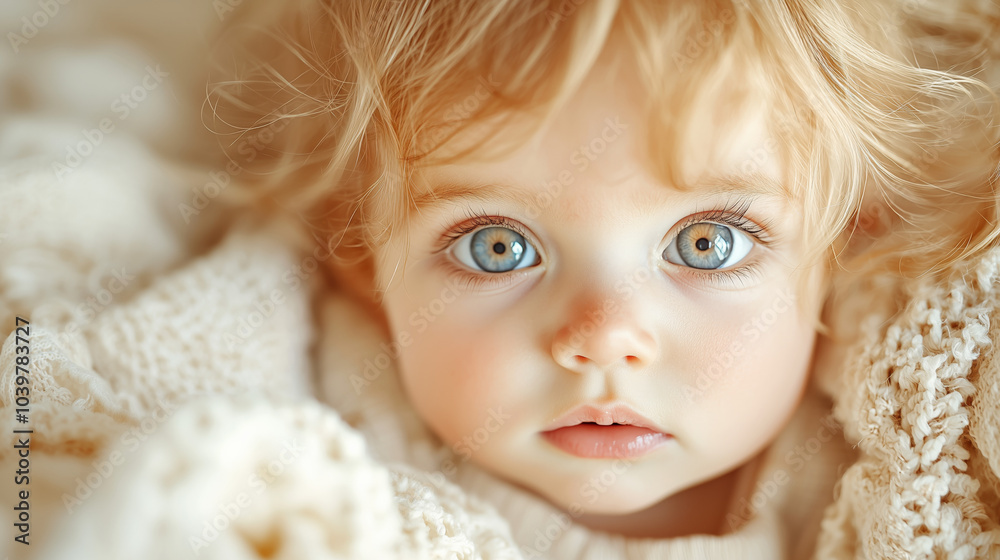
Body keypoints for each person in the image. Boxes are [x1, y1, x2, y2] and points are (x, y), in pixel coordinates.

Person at [205, 0, 1000, 557]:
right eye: (497, 248)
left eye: (706, 244)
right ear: (364, 262)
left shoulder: (878, 486)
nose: (603, 337)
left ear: (841, 243)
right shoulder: (316, 450)